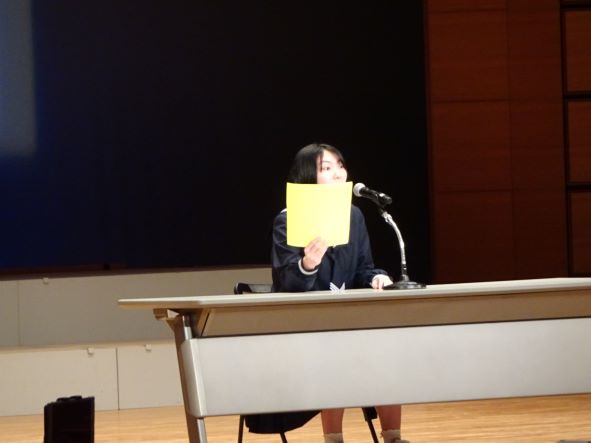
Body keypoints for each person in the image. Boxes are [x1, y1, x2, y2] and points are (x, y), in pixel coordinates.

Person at [271, 143, 409, 443]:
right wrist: (307, 264)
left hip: (348, 318)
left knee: (386, 348)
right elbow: (287, 285)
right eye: (326, 168)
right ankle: (333, 439)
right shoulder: (287, 219)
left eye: (340, 166)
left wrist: (377, 277)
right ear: (308, 176)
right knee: (333, 352)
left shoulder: (353, 216)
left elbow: (363, 268)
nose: (338, 173)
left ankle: (393, 437)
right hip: (307, 324)